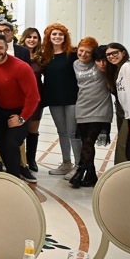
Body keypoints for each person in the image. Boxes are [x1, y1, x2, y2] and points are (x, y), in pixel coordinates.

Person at [0, 34, 40, 179]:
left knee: (11, 144)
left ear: (6, 47)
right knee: (1, 144)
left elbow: (34, 97)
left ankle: (14, 178)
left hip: (20, 111)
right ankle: (13, 171)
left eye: (0, 48)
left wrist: (22, 118)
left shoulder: (22, 67)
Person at [70, 38, 113, 188]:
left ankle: (79, 172)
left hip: (100, 107)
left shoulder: (101, 64)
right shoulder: (75, 64)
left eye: (88, 52)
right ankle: (91, 175)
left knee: (89, 141)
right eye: (81, 50)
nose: (83, 54)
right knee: (86, 143)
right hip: (82, 106)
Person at [41, 23, 80, 178]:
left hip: (72, 98)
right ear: (49, 37)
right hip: (54, 99)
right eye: (54, 34)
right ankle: (66, 163)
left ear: (65, 37)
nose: (57, 37)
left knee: (73, 132)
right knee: (62, 132)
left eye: (60, 34)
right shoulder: (45, 56)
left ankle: (79, 166)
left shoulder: (72, 54)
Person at [105, 43, 130, 162]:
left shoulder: (127, 67)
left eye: (115, 53)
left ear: (123, 53)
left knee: (126, 148)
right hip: (126, 114)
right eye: (108, 54)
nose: (111, 56)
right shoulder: (121, 67)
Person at [18, 27, 45, 172]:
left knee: (33, 130)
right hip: (20, 97)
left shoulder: (41, 57)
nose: (32, 40)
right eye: (29, 37)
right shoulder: (18, 54)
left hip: (36, 97)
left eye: (35, 37)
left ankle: (31, 159)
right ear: (24, 38)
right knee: (20, 129)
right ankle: (20, 161)